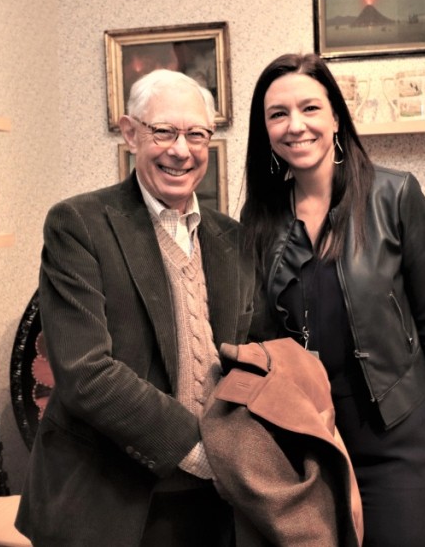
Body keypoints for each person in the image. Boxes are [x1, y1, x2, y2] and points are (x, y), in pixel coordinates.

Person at [242, 53, 425, 546]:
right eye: (278, 114)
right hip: (308, 440)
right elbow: (260, 339)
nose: (295, 125)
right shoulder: (260, 217)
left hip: (397, 437)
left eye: (309, 108)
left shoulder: (395, 195)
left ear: (336, 116)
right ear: (265, 130)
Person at [15, 69, 255, 547]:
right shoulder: (78, 224)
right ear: (130, 133)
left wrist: (243, 456)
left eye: (196, 134)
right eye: (163, 131)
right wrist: (199, 448)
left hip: (215, 503)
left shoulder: (233, 238)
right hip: (108, 501)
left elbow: (247, 355)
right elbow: (86, 373)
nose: (180, 150)